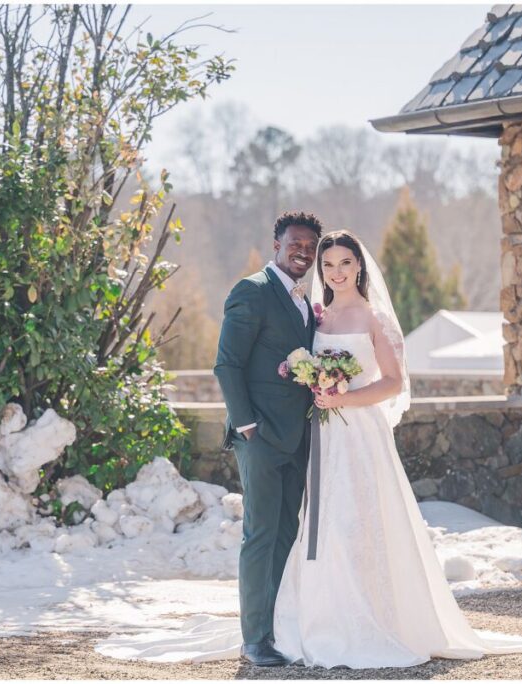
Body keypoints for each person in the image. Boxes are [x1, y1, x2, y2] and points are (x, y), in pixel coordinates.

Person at [95, 228, 522, 668]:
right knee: (315, 527)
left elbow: (393, 381)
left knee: (358, 523)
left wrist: (340, 396)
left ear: (360, 266)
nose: (334, 270)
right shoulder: (315, 314)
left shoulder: (371, 317)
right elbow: (231, 363)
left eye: (343, 262)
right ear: (285, 249)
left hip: (356, 434)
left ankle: (373, 616)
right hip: (317, 436)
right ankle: (287, 626)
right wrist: (277, 402)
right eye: (326, 263)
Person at [213, 210, 322, 666]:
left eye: (311, 247)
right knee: (260, 534)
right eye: (295, 243)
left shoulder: (306, 301)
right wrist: (247, 426)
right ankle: (253, 638)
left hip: (298, 436)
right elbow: (227, 363)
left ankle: (275, 626)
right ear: (276, 243)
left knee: (286, 533)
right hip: (258, 436)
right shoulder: (251, 291)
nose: (303, 252)